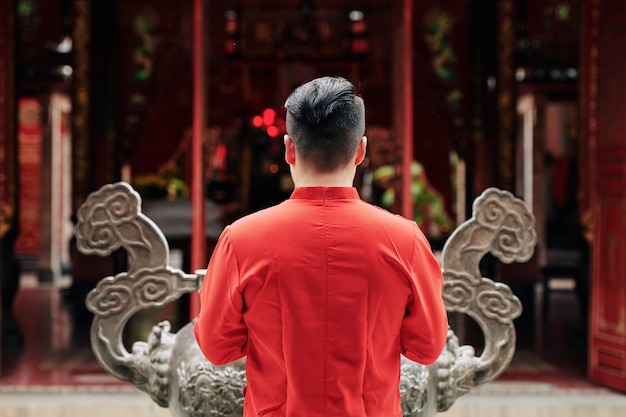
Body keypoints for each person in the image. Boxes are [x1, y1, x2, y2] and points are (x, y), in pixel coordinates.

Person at [194, 76, 448, 417]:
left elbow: (215, 346)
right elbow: (427, 347)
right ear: (360, 151)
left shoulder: (241, 239)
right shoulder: (405, 241)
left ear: (288, 148)